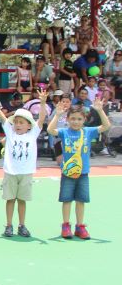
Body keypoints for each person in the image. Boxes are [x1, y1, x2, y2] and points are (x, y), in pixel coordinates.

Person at [0, 89, 49, 238]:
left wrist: (42, 103)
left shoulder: (33, 133)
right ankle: (9, 225)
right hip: (10, 172)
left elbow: (41, 119)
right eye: (16, 122)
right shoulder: (10, 132)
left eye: (21, 122)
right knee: (10, 199)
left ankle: (22, 225)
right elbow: (1, 115)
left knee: (22, 200)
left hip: (26, 173)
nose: (17, 124)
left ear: (29, 125)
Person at [48, 98, 110, 239]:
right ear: (68, 119)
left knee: (81, 200)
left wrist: (100, 110)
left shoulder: (88, 131)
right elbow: (50, 130)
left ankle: (80, 226)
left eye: (79, 119)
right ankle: (65, 225)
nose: (76, 122)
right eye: (73, 119)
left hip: (83, 173)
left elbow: (106, 126)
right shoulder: (64, 132)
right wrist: (57, 115)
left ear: (84, 120)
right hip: (68, 173)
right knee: (67, 200)